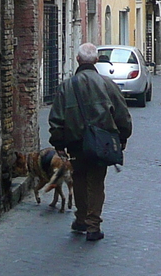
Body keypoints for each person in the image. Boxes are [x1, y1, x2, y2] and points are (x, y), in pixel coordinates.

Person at [48, 43, 133, 242]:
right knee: (96, 182)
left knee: (79, 178)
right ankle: (93, 226)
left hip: (76, 143)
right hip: (101, 143)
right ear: (96, 60)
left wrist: (58, 144)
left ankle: (81, 219)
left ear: (78, 60)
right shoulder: (107, 84)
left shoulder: (67, 86)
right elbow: (122, 115)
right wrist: (122, 139)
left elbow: (56, 118)